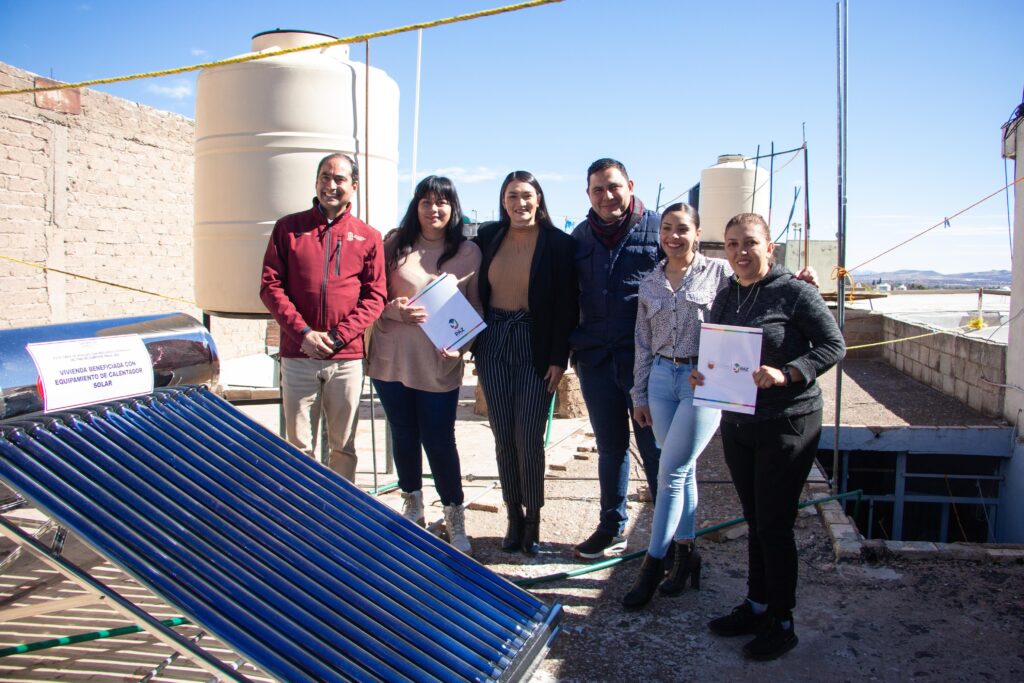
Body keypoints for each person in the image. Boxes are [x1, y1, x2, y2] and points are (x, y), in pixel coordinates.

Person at [691, 213, 845, 661]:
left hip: (788, 422)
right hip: (739, 423)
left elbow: (833, 345)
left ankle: (782, 620)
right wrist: (704, 374)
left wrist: (788, 372)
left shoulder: (795, 292)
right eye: (733, 243)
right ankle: (757, 604)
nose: (741, 251)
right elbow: (719, 352)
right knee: (755, 519)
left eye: (750, 243)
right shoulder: (726, 295)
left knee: (774, 525)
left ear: (769, 247)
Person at [621, 203, 730, 608]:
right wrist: (639, 394)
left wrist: (803, 279)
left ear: (697, 233)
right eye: (667, 228)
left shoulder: (720, 273)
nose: (673, 236)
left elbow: (761, 286)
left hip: (704, 381)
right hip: (661, 380)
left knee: (671, 473)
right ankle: (687, 557)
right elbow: (642, 342)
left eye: (682, 229)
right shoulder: (650, 282)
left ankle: (652, 566)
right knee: (682, 470)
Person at [367, 176, 480, 555]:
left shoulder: (469, 252)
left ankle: (454, 516)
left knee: (439, 439)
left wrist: (462, 346)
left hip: (438, 362)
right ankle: (412, 507)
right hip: (391, 358)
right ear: (416, 206)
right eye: (426, 201)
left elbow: (475, 306)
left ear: (453, 208)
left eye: (442, 202)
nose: (434, 209)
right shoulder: (394, 245)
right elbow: (370, 298)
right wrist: (392, 311)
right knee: (403, 433)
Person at [260, 153, 386, 482]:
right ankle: (301, 506)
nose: (331, 185)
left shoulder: (368, 236)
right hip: (298, 354)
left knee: (343, 447)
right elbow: (271, 286)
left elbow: (375, 296)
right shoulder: (288, 229)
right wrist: (303, 333)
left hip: (346, 358)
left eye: (339, 179)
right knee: (298, 446)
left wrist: (338, 336)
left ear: (354, 186)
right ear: (316, 183)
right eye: (325, 178)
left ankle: (340, 508)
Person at [473, 171, 578, 556]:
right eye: (512, 196)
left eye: (527, 196)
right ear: (503, 202)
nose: (520, 203)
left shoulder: (559, 244)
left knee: (528, 436)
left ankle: (533, 518)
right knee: (503, 435)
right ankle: (513, 516)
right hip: (494, 340)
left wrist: (558, 358)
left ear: (539, 199)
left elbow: (567, 305)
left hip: (536, 343)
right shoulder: (487, 236)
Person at [570, 158, 663, 559]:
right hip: (596, 361)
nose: (607, 196)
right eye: (598, 190)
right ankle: (612, 527)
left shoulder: (660, 229)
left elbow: (703, 272)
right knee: (610, 448)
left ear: (630, 185)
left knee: (656, 451)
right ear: (588, 194)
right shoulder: (579, 237)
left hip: (647, 364)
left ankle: (669, 538)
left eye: (613, 187)